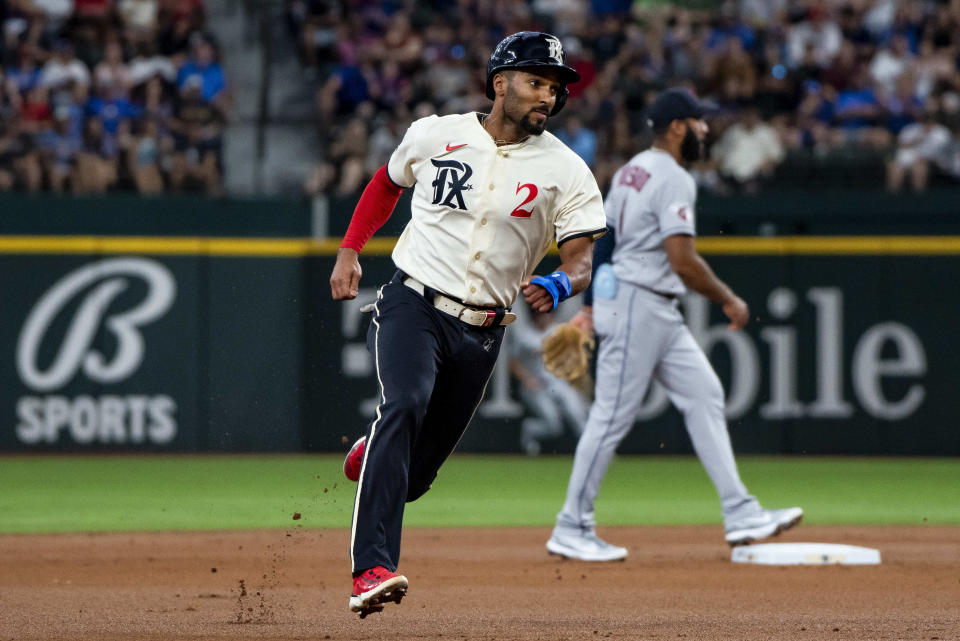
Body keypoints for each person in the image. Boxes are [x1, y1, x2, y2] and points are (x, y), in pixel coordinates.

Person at [329, 31, 606, 616]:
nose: (547, 98)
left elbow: (581, 258)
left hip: (483, 330)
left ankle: (371, 453)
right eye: (536, 83)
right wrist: (350, 250)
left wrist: (561, 281)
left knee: (417, 475)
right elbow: (385, 184)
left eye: (555, 89)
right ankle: (369, 570)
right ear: (500, 82)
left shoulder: (567, 168)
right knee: (404, 403)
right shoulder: (436, 133)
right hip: (413, 300)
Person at [545, 87, 803, 562]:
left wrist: (592, 307)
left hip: (643, 302)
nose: (707, 129)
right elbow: (681, 260)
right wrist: (729, 298)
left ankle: (741, 511)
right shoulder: (675, 178)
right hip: (641, 301)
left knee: (703, 393)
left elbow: (608, 242)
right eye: (701, 122)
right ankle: (571, 526)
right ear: (679, 126)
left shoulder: (630, 170)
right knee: (610, 416)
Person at [508, 302, 590, 456]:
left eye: (548, 313)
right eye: (541, 314)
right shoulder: (525, 335)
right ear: (535, 316)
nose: (545, 317)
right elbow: (512, 361)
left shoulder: (559, 332)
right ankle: (529, 431)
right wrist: (527, 379)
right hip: (537, 386)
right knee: (552, 425)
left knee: (577, 415)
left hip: (558, 383)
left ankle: (593, 452)